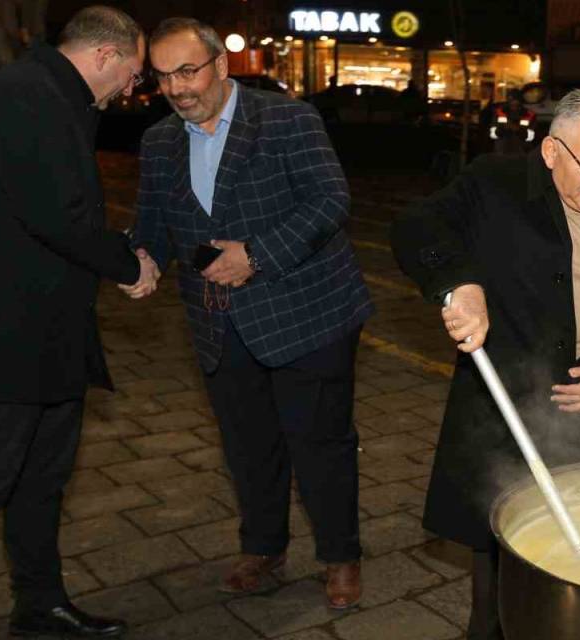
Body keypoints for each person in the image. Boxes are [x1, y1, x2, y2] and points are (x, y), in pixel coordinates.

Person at [390, 87, 580, 639]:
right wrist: (457, 285)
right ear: (550, 151)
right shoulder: (492, 185)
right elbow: (414, 227)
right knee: (500, 561)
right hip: (506, 410)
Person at [128, 17, 373, 609]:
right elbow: (155, 222)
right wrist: (142, 258)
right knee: (247, 445)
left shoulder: (287, 118)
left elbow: (330, 199)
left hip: (308, 312)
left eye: (188, 71)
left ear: (220, 64)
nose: (177, 88)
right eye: (163, 78)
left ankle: (340, 557)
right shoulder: (159, 141)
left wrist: (256, 257)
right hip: (216, 322)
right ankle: (262, 548)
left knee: (320, 443)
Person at [0, 5, 155, 637]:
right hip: (3, 341)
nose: (132, 91)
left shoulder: (56, 95)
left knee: (41, 483)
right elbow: (58, 212)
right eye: (132, 75)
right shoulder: (20, 95)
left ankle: (39, 604)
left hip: (50, 336)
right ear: (104, 56)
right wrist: (129, 263)